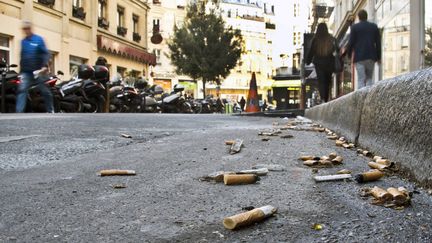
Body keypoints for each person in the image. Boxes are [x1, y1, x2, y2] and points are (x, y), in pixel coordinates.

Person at [16, 21, 53, 113]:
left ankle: (50, 110)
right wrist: (21, 72)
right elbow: (22, 56)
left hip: (38, 71)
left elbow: (45, 53)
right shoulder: (23, 42)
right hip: (26, 72)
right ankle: (19, 112)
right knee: (22, 90)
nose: (25, 31)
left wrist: (45, 66)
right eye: (24, 29)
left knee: (45, 91)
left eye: (27, 28)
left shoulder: (38, 39)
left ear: (30, 28)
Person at [346, 10, 381, 89]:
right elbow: (378, 43)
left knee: (361, 79)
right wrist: (379, 57)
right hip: (371, 56)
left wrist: (349, 54)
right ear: (366, 16)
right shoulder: (374, 27)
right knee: (369, 78)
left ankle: (361, 99)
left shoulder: (355, 27)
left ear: (358, 17)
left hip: (359, 57)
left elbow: (351, 42)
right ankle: (369, 97)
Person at [306, 23, 337, 103]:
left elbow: (311, 51)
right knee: (328, 81)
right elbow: (336, 49)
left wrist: (308, 61)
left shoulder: (315, 39)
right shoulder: (331, 38)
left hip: (319, 63)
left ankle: (323, 98)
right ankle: (326, 98)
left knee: (321, 81)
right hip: (329, 62)